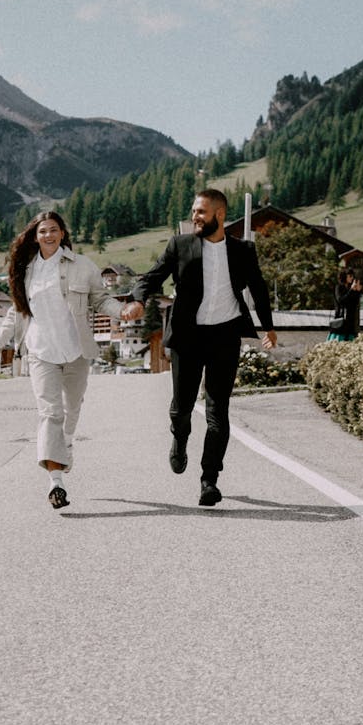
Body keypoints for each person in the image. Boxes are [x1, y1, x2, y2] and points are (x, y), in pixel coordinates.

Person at [120, 188, 277, 508]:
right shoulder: (180, 245)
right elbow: (153, 277)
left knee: (218, 410)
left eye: (201, 212)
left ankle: (210, 479)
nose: (195, 217)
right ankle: (179, 439)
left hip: (225, 336)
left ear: (219, 215)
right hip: (188, 338)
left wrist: (268, 327)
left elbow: (258, 288)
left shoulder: (242, 250)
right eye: (193, 212)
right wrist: (138, 299)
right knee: (182, 406)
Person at [0, 211, 128, 510]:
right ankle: (56, 482)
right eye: (42, 231)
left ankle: (67, 444)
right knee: (51, 413)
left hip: (76, 350)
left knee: (71, 409)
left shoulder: (83, 266)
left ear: (62, 233)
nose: (48, 235)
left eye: (53, 230)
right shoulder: (26, 270)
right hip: (39, 351)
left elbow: (100, 299)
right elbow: (17, 310)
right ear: (34, 236)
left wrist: (122, 311)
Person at [327, 266, 363, 342]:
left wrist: (357, 291)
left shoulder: (352, 288)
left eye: (353, 276)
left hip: (351, 322)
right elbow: (341, 301)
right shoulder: (339, 287)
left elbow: (355, 303)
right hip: (341, 320)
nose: (352, 278)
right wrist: (351, 290)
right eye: (350, 276)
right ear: (344, 276)